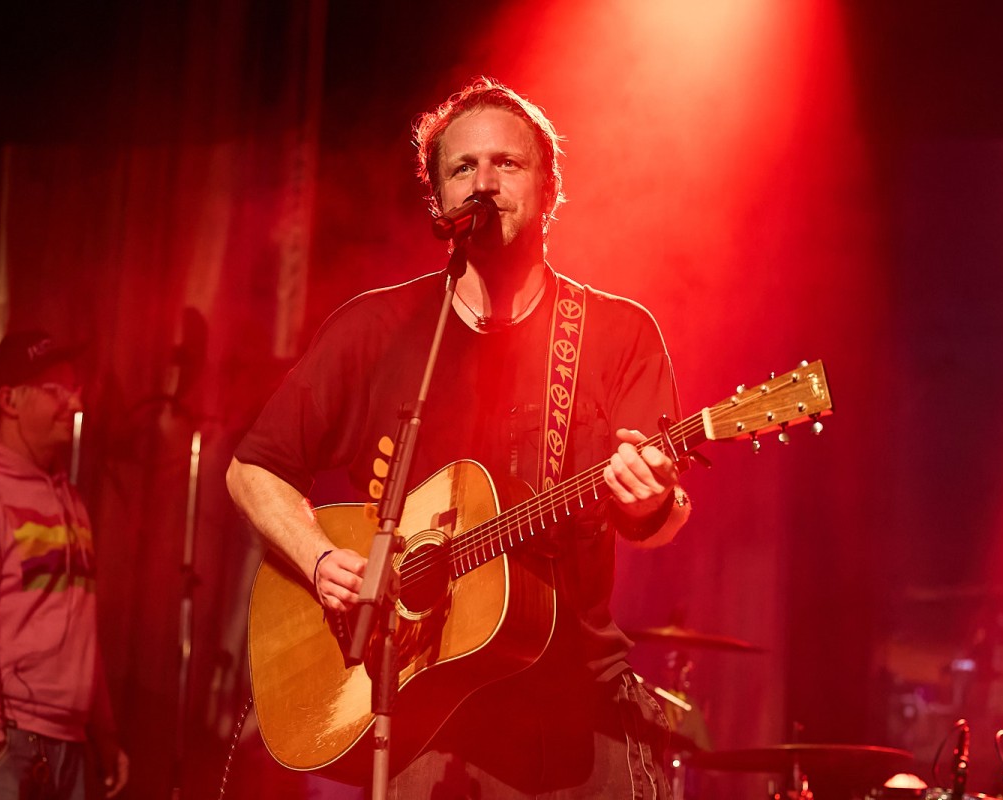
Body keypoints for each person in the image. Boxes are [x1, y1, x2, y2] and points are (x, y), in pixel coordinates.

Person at [227, 77, 691, 798]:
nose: (484, 185)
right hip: (419, 720)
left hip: (574, 709)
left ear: (549, 189)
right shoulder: (375, 330)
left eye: (508, 164)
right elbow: (253, 469)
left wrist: (650, 501)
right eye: (463, 168)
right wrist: (318, 560)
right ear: (439, 200)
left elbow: (656, 517)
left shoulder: (615, 334)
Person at [0, 331, 128, 799]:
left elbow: (80, 632)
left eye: (75, 388)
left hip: (63, 744)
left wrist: (103, 731)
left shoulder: (70, 501)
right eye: (57, 389)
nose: (75, 402)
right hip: (0, 739)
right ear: (9, 401)